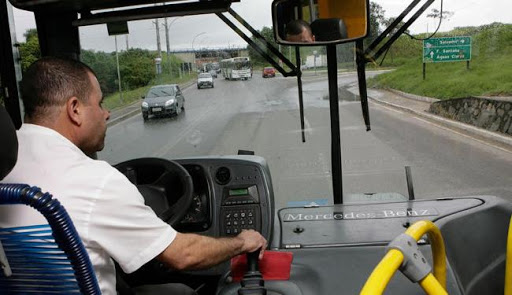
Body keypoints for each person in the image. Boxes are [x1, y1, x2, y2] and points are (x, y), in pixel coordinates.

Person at [0, 57, 267, 295]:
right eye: (100, 102)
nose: (106, 113)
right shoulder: (97, 181)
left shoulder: (4, 166)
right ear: (75, 109)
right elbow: (184, 255)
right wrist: (243, 241)